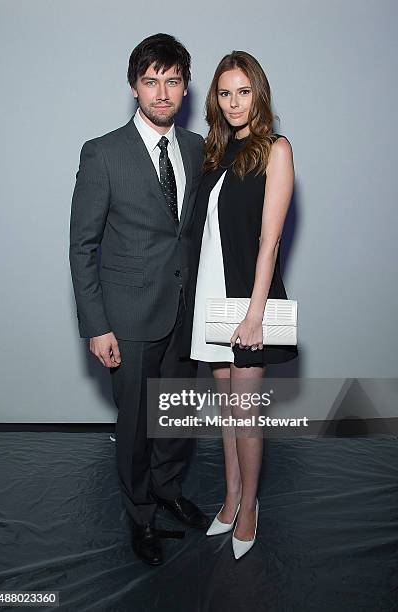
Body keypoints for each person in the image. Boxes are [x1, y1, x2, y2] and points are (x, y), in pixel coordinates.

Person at [69, 33, 209, 567]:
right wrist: (96, 325)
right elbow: (83, 245)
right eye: (151, 81)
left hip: (184, 311)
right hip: (127, 318)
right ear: (134, 87)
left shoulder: (197, 150)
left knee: (176, 416)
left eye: (172, 81)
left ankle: (170, 490)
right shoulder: (102, 153)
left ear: (185, 86)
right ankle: (141, 514)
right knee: (134, 427)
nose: (162, 93)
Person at [180, 51, 298, 559]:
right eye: (225, 93)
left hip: (249, 302)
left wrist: (255, 315)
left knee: (246, 415)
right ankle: (228, 498)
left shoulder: (276, 149)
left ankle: (250, 505)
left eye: (243, 92)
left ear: (259, 95)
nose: (233, 103)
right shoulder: (216, 154)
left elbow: (270, 242)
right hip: (213, 296)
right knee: (227, 414)